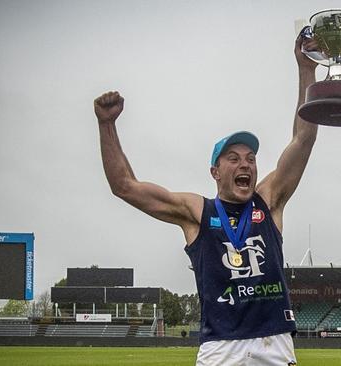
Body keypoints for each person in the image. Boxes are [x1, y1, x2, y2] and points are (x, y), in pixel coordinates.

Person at [93, 36, 318, 366]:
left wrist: (305, 68)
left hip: (273, 341)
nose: (245, 165)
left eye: (251, 158)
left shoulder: (267, 201)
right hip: (220, 347)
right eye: (233, 158)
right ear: (215, 171)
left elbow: (304, 138)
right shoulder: (197, 211)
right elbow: (124, 186)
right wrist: (106, 124)